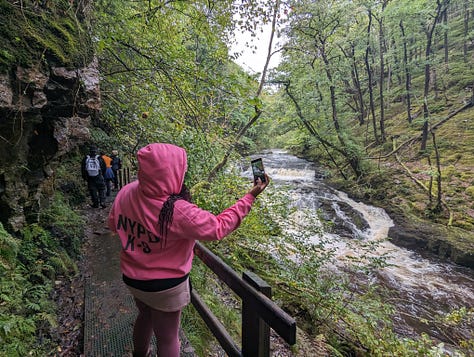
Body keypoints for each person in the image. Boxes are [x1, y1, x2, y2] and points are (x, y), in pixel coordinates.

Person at [107, 143, 269, 357]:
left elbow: (113, 224)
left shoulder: (127, 191)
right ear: (172, 172)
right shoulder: (177, 210)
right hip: (165, 286)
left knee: (144, 315)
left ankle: (141, 353)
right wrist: (250, 196)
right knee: (168, 338)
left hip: (133, 277)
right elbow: (218, 227)